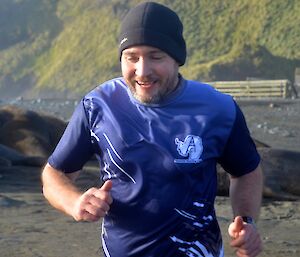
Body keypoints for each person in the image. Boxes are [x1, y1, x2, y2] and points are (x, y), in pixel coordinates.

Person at [41, 2, 263, 257]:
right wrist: (75, 202)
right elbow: (54, 175)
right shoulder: (99, 106)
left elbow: (246, 171)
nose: (142, 71)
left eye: (155, 56)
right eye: (131, 57)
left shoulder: (218, 109)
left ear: (177, 58)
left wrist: (246, 222)